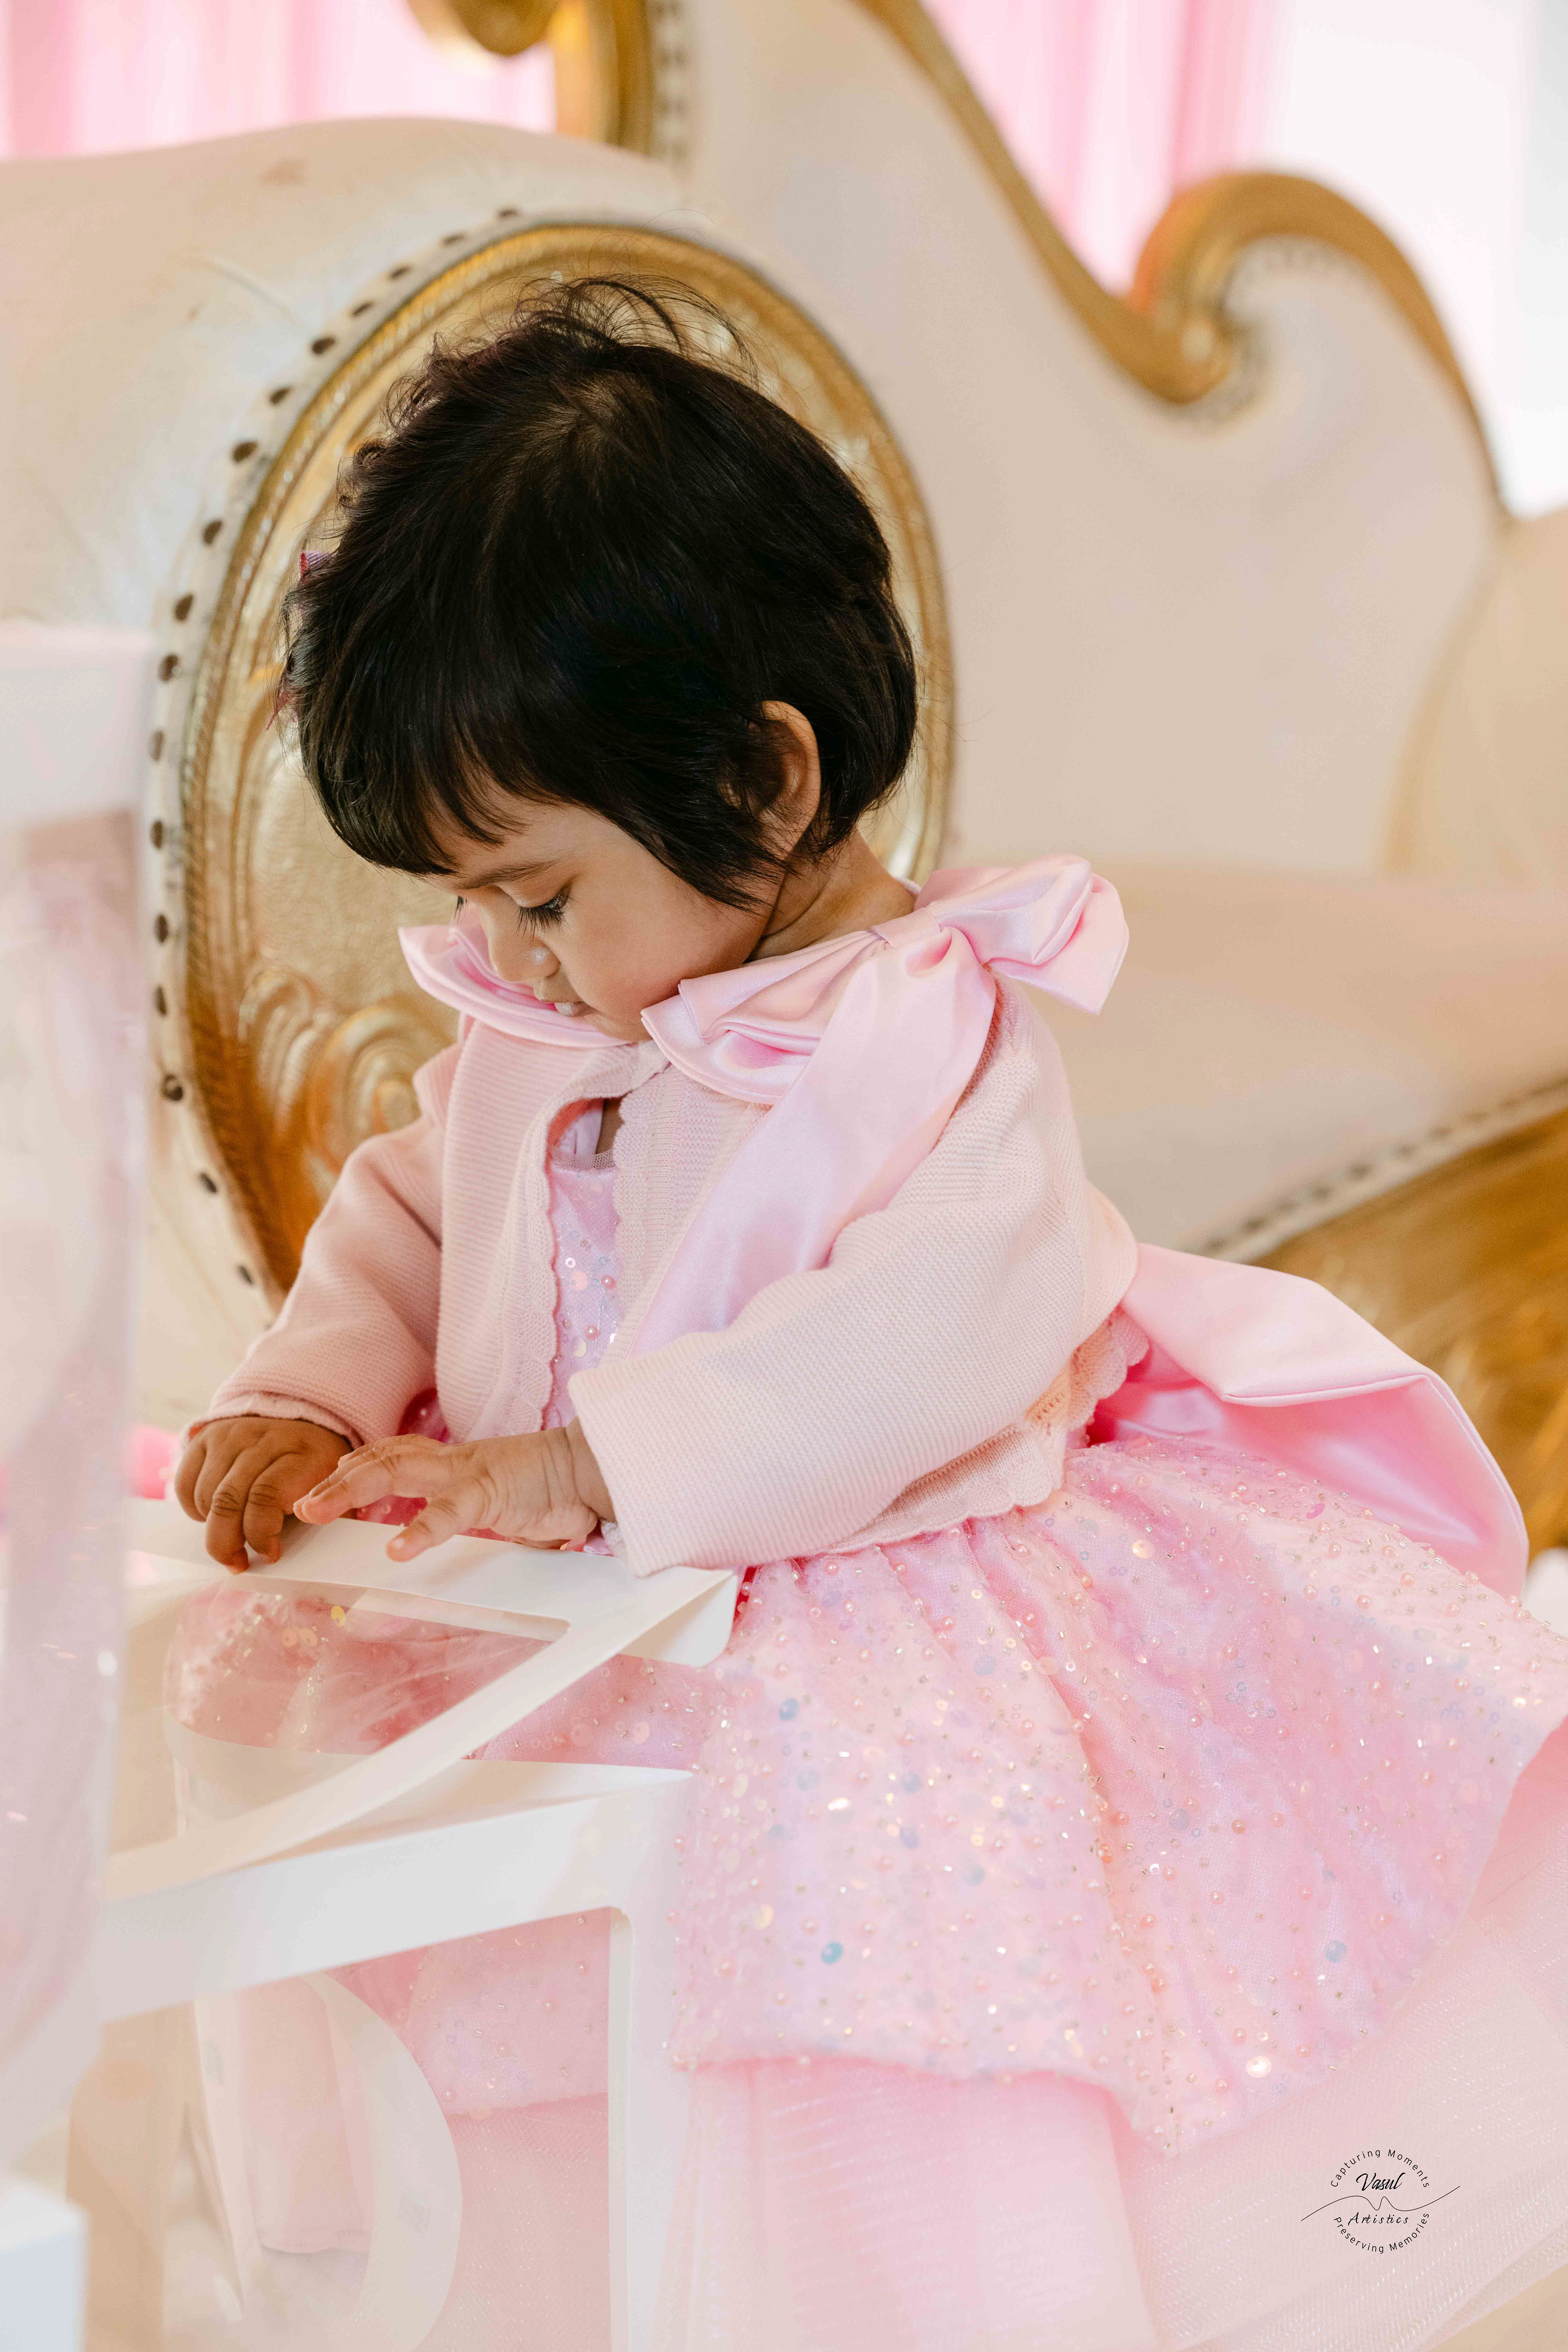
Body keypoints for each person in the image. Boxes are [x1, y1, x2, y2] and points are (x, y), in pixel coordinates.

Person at [171, 279, 1568, 2352]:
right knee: (513, 1961)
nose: (505, 957)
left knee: (850, 1965)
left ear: (762, 775)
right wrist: (308, 1387)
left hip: (860, 1602)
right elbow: (409, 1212)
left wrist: (586, 1466)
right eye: (475, 902)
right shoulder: (552, 1023)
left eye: (537, 895)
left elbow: (933, 1331)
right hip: (585, 1608)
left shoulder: (921, 1034)